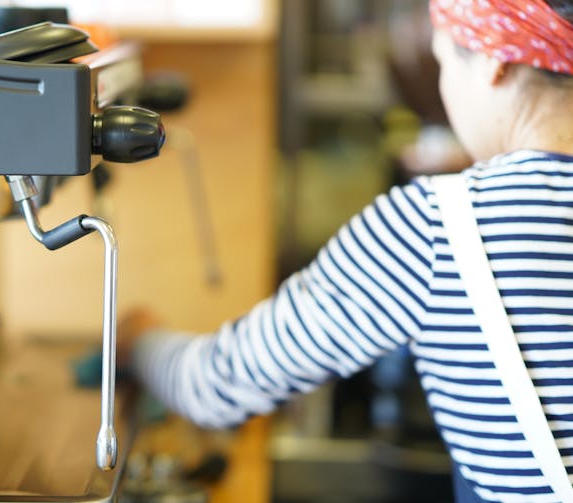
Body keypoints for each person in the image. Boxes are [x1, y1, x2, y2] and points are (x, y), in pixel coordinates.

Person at [118, 1, 573, 501]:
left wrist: (138, 342)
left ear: (494, 61)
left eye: (444, 62)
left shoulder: (440, 227)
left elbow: (215, 384)